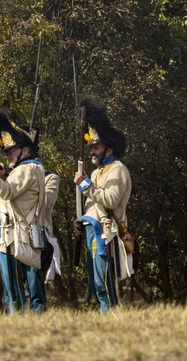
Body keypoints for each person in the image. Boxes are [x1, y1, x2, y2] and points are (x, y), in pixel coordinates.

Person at [0, 109, 46, 313]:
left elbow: (8, 192)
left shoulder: (28, 169)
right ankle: (16, 315)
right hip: (10, 233)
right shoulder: (23, 169)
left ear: (25, 151)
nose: (8, 154)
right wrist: (2, 173)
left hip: (15, 234)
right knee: (12, 284)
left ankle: (18, 318)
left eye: (11, 151)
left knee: (14, 284)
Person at [73, 97, 133, 312]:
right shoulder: (98, 171)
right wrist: (81, 221)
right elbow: (93, 205)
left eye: (96, 147)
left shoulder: (118, 169)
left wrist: (86, 184)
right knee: (96, 280)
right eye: (91, 147)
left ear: (108, 148)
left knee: (105, 280)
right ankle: (104, 312)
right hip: (93, 228)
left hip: (106, 231)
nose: (92, 151)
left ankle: (110, 314)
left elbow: (110, 200)